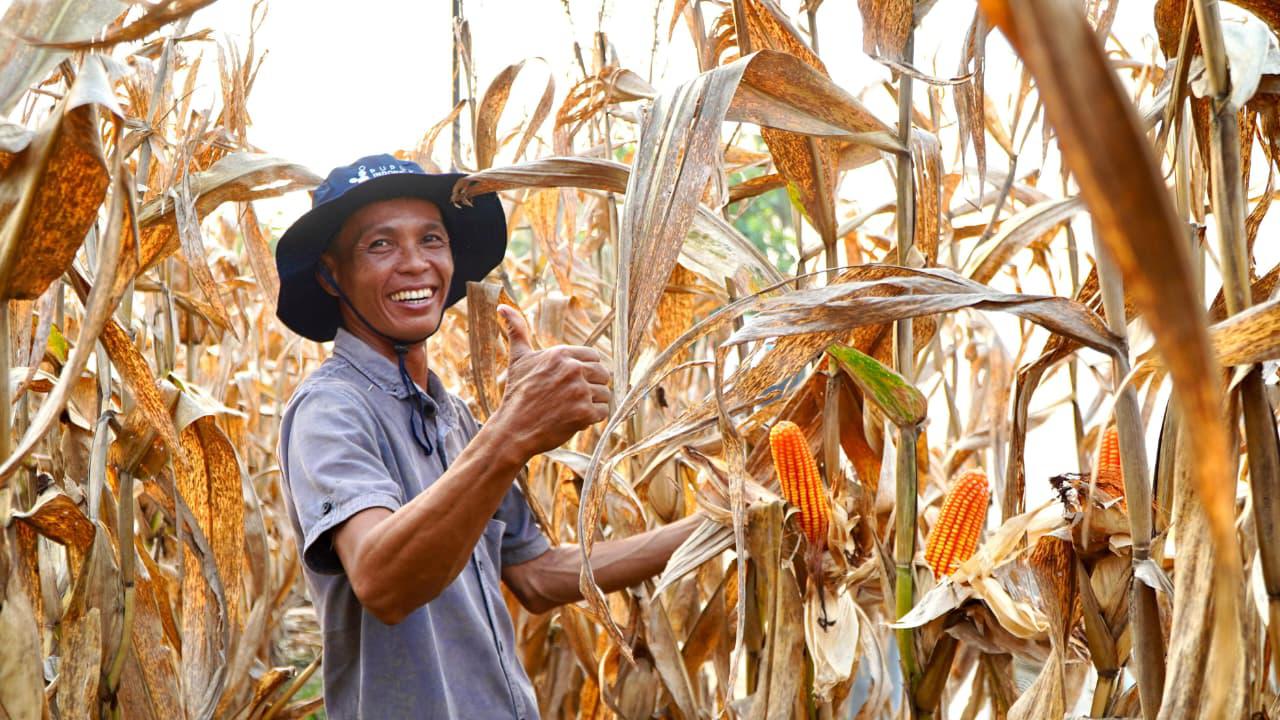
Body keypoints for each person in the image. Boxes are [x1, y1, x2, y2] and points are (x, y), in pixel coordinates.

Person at [273, 154, 702, 719]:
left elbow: (538, 576)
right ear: (331, 274)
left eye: (432, 239)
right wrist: (514, 430)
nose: (415, 264)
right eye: (380, 245)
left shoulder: (452, 419)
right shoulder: (330, 410)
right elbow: (382, 580)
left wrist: (717, 526)